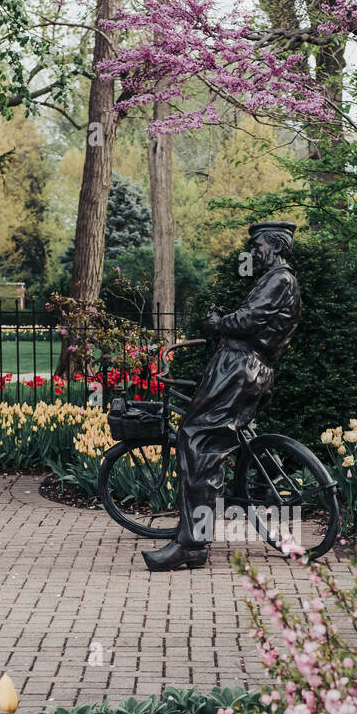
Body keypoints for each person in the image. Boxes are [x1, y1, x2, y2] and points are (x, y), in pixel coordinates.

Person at [143, 221, 301, 571]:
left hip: (239, 368)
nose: (254, 252)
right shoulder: (279, 281)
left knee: (197, 440)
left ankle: (192, 543)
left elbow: (248, 320)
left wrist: (218, 322)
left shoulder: (279, 279)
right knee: (210, 442)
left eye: (257, 246)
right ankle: (259, 482)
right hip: (245, 368)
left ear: (273, 247)